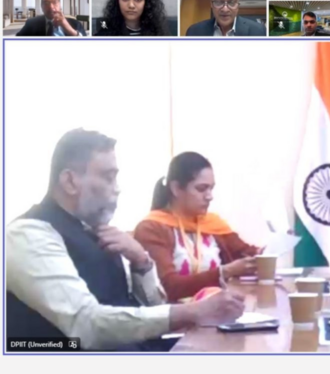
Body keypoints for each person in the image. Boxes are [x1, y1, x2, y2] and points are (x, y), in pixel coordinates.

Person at [6, 129, 245, 351]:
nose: (117, 189)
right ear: (70, 181)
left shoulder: (96, 231)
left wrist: (141, 263)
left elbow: (148, 311)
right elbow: (86, 324)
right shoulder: (28, 235)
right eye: (108, 177)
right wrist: (192, 311)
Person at [134, 152, 265, 302]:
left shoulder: (212, 225)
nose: (209, 196)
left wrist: (266, 252)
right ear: (176, 188)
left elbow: (246, 254)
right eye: (201, 189)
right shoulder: (152, 228)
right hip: (179, 313)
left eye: (211, 189)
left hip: (218, 308)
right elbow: (168, 287)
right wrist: (224, 272)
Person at [186, 0, 266, 36]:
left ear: (238, 4)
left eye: (231, 2)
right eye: (218, 2)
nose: (225, 9)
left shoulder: (258, 31)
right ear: (211, 4)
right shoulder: (194, 32)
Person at [15, 0, 87, 36]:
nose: (51, 7)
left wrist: (69, 29)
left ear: (60, 5)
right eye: (46, 3)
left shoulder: (75, 24)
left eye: (55, 2)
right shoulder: (31, 23)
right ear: (41, 6)